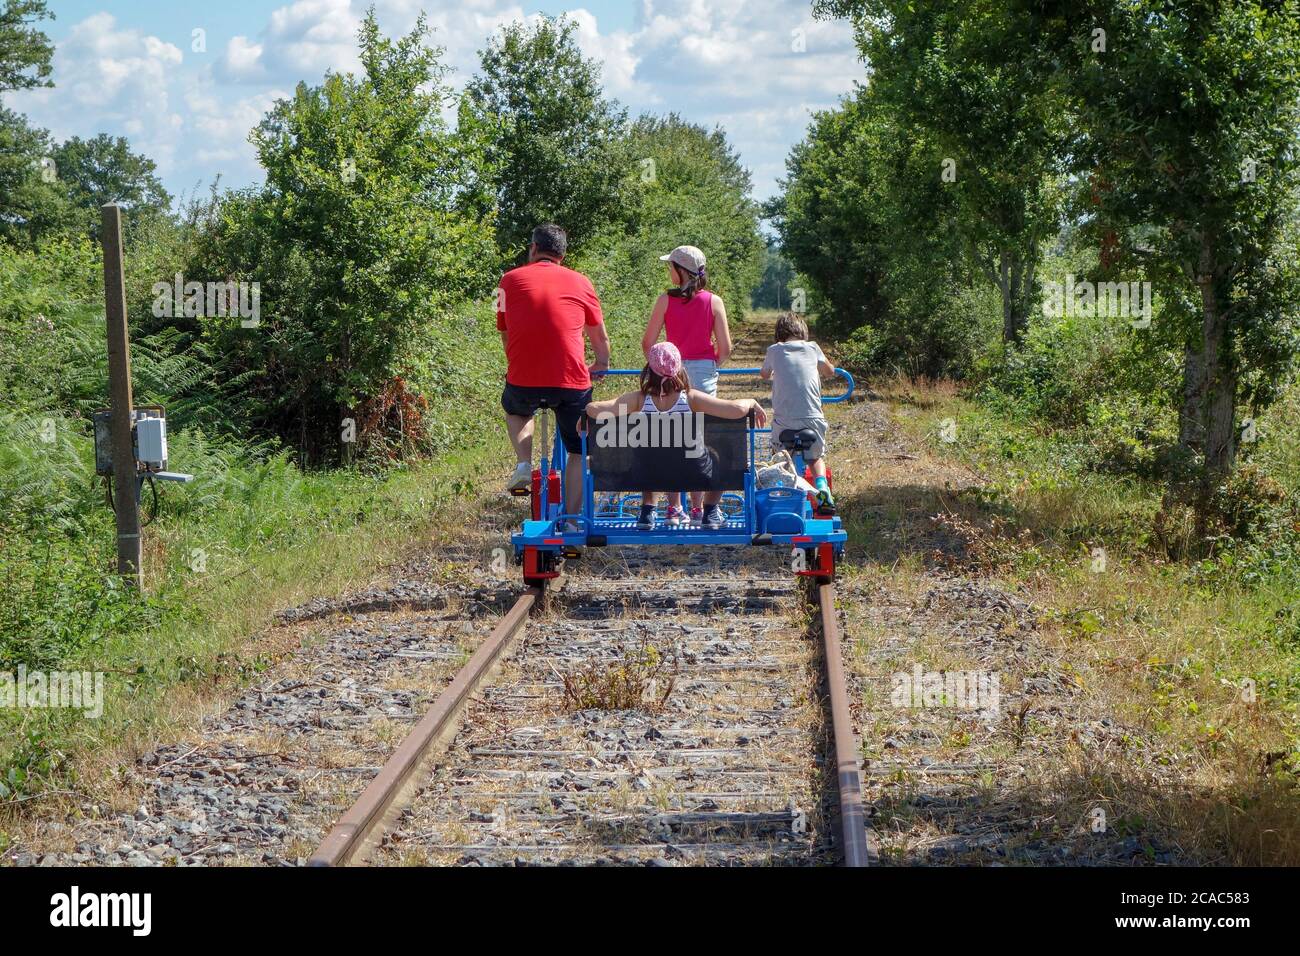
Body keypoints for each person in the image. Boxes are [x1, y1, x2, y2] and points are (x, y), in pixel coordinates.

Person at [497, 223, 611, 521]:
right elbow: (599, 336)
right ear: (563, 253)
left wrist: (517, 363)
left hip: (524, 379)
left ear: (533, 248)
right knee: (578, 449)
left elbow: (505, 331)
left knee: (516, 410)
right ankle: (571, 520)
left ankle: (523, 464)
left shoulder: (506, 281)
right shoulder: (582, 282)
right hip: (571, 381)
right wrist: (601, 364)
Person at [586, 342, 765, 531]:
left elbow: (595, 409)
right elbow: (736, 410)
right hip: (695, 473)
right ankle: (710, 510)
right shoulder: (691, 398)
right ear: (679, 367)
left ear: (649, 369)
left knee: (648, 453)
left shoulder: (638, 399)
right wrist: (751, 401)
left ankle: (647, 511)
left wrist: (586, 414)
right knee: (724, 453)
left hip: (650, 474)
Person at [641, 244, 732, 527]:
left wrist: (661, 364)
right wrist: (711, 363)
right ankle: (699, 508)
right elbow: (726, 348)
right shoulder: (714, 302)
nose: (668, 271)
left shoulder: (664, 301)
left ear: (681, 271)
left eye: (671, 267)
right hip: (703, 372)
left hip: (672, 371)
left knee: (670, 439)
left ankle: (674, 508)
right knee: (698, 442)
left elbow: (648, 343)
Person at [760, 312, 836, 510]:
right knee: (815, 458)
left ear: (779, 334)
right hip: (813, 420)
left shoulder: (774, 350)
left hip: (784, 421)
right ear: (803, 332)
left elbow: (764, 374)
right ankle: (823, 490)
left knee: (781, 456)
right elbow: (830, 371)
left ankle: (784, 495)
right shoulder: (813, 347)